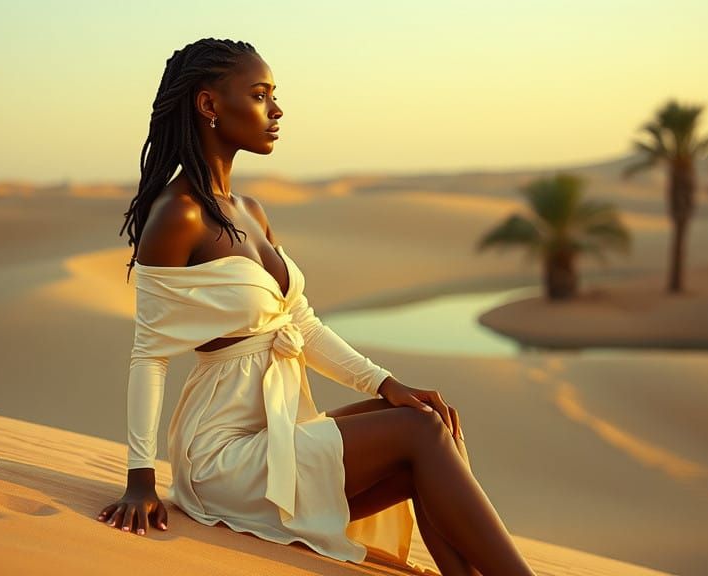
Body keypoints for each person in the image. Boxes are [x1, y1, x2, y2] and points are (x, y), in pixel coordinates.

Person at [96, 38, 537, 576]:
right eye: (260, 96)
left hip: (276, 433)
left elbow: (300, 322)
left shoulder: (250, 211)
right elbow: (149, 356)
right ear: (209, 105)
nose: (276, 111)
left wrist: (386, 384)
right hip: (221, 456)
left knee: (426, 419)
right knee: (419, 435)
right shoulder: (178, 217)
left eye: (274, 96)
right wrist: (140, 480)